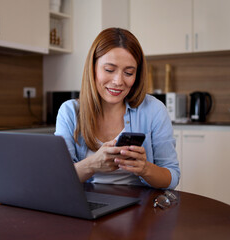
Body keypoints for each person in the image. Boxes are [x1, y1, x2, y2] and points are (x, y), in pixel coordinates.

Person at [55, 28, 180, 189]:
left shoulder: (154, 110)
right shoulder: (70, 112)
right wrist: (92, 164)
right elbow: (59, 178)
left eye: (128, 73)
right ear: (92, 68)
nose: (118, 81)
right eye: (109, 70)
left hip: (141, 208)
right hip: (88, 207)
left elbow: (172, 177)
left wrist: (145, 169)